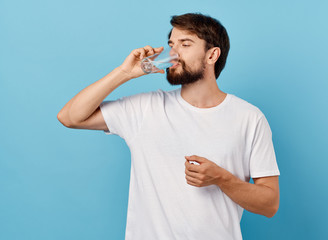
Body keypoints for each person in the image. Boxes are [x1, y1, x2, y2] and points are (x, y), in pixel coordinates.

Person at [57, 13, 280, 240]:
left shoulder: (249, 118)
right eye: (172, 44)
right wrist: (123, 73)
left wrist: (222, 178)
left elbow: (269, 204)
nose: (173, 53)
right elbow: (70, 117)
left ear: (212, 55)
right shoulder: (146, 108)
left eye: (185, 44)